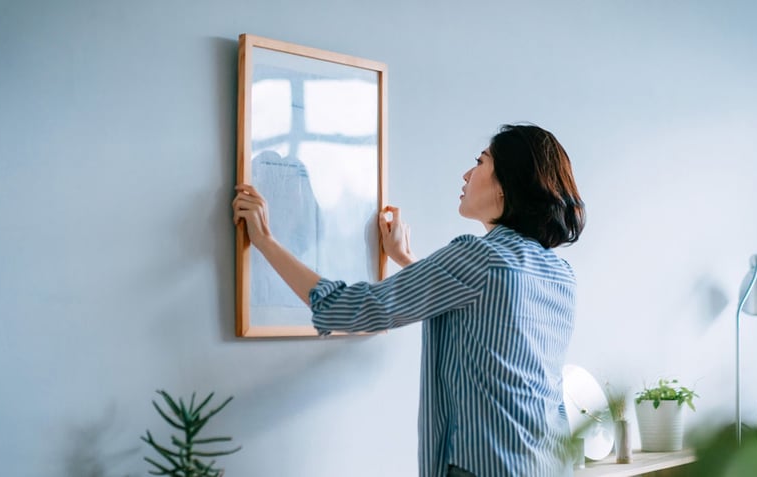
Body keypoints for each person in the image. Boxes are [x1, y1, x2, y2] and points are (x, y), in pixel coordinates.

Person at [232, 124, 586, 477]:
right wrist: (406, 259)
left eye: (480, 161)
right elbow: (479, 308)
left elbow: (351, 307)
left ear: (506, 185)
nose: (466, 173)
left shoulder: (479, 258)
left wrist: (264, 240)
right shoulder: (558, 272)